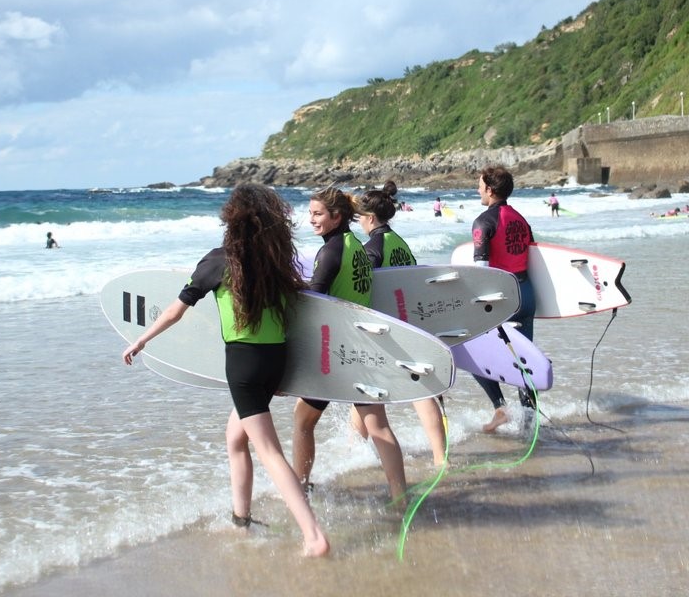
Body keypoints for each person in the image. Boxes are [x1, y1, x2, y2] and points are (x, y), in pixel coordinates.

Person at [121, 185, 329, 557]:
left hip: (245, 365)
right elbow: (301, 310)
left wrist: (141, 340)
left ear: (231, 220)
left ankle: (313, 535)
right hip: (275, 359)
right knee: (235, 437)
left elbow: (174, 311)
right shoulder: (275, 262)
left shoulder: (219, 261)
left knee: (268, 451)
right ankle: (241, 520)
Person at [292, 186, 407, 503]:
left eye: (317, 214)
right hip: (363, 346)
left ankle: (300, 488)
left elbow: (315, 303)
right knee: (378, 426)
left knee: (303, 420)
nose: (311, 220)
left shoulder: (329, 251)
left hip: (336, 351)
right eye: (311, 213)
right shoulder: (355, 245)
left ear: (336, 216)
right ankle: (400, 495)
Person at [356, 183, 448, 467]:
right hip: (409, 322)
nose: (358, 220)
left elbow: (362, 287)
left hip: (383, 330)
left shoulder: (372, 247)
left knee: (364, 390)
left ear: (370, 218)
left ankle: (358, 452)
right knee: (414, 392)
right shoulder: (400, 243)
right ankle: (439, 457)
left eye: (360, 215)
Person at [468, 165, 537, 433]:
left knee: (471, 353)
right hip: (527, 295)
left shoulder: (484, 222)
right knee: (524, 361)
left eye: (480, 185)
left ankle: (500, 408)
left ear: (490, 189)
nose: (478, 190)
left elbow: (482, 272)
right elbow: (535, 258)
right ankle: (529, 426)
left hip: (502, 299)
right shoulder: (521, 219)